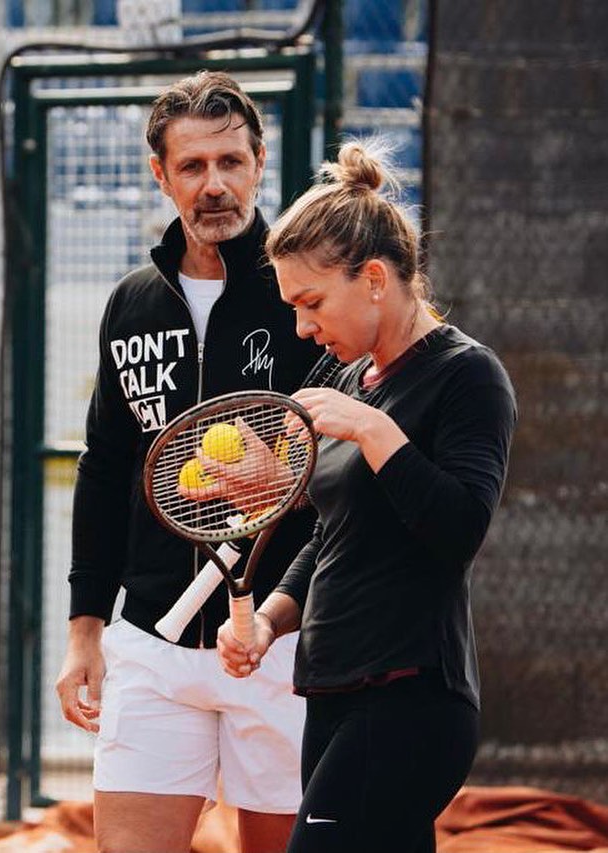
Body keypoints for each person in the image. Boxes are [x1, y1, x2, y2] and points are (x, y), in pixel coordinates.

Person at [216, 139, 518, 853]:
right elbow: (334, 531)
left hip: (414, 696)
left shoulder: (469, 375)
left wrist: (377, 433)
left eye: (312, 301)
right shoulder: (348, 377)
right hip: (332, 688)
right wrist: (268, 622)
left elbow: (459, 529)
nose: (302, 326)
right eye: (292, 306)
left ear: (375, 279)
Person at [55, 71, 320, 853]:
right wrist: (85, 631)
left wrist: (277, 614)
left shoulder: (303, 295)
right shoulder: (131, 303)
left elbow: (339, 470)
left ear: (260, 161)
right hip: (152, 644)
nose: (215, 185)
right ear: (160, 173)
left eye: (232, 162)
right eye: (194, 167)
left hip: (284, 644)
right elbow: (104, 468)